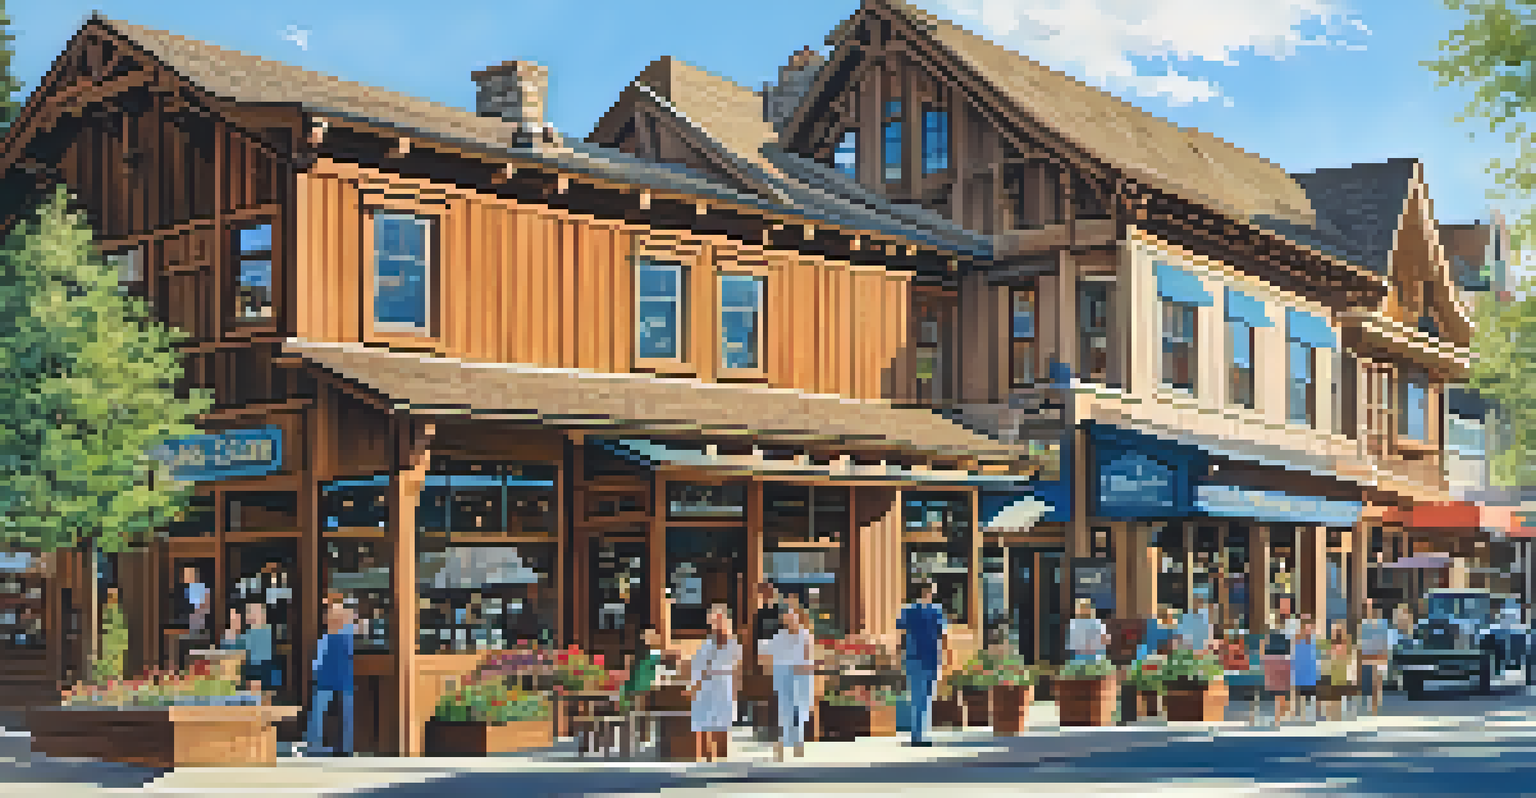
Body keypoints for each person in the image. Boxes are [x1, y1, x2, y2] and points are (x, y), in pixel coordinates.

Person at [896, 580, 949, 748]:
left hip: (922, 657)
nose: (931, 593)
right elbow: (943, 636)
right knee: (922, 697)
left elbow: (901, 635)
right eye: (930, 590)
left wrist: (900, 654)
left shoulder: (914, 611)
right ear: (924, 592)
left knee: (922, 697)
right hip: (923, 658)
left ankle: (920, 734)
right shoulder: (931, 611)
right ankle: (918, 735)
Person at [687, 604, 742, 762]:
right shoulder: (707, 644)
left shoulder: (731, 643)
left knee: (722, 723)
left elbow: (735, 668)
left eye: (719, 618)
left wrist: (735, 691)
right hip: (707, 685)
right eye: (713, 618)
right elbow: (699, 666)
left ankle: (721, 760)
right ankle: (707, 759)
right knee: (705, 722)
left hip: (723, 683)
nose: (715, 622)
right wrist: (695, 685)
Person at [762, 602, 815, 762]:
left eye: (792, 615)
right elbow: (766, 655)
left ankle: (797, 741)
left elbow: (809, 655)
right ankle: (785, 741)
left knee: (800, 706)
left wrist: (807, 667)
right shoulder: (778, 636)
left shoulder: (805, 635)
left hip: (801, 672)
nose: (790, 619)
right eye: (787, 616)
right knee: (785, 706)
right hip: (783, 671)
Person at [306, 595, 355, 757]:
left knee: (340, 712)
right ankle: (317, 746)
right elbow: (319, 657)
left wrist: (316, 671)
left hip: (337, 678)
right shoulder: (331, 636)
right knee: (323, 712)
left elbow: (320, 658)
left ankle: (339, 748)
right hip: (330, 678)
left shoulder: (343, 634)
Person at [226, 602, 278, 692]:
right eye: (248, 612)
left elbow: (238, 647)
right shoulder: (254, 632)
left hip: (259, 672)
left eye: (253, 612)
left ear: (263, 615)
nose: (249, 616)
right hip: (255, 670)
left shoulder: (261, 632)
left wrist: (234, 631)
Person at [1257, 614, 1294, 727]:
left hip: (1278, 660)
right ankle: (1278, 717)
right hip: (1276, 660)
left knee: (1279, 690)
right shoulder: (1273, 634)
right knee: (1277, 690)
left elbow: (1263, 646)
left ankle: (1279, 717)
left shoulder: (1280, 634)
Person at [1359, 602, 1391, 715]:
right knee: (1373, 679)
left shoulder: (1380, 624)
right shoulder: (1365, 624)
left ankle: (1375, 703)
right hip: (1370, 654)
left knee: (1377, 679)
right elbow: (1362, 641)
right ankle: (1374, 703)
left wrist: (1384, 654)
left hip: (1378, 654)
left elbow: (1384, 640)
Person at [1291, 620, 1321, 723]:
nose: (1309, 630)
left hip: (1311, 674)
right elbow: (1295, 658)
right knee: (1301, 698)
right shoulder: (1298, 641)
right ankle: (1300, 717)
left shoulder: (1314, 641)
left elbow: (1317, 658)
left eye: (1310, 628)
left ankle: (1314, 716)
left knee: (1312, 697)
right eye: (1307, 628)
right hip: (1301, 674)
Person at [184, 566, 209, 636]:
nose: (186, 577)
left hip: (197, 617)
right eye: (186, 574)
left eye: (188, 574)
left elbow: (203, 606)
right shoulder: (187, 588)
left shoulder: (199, 588)